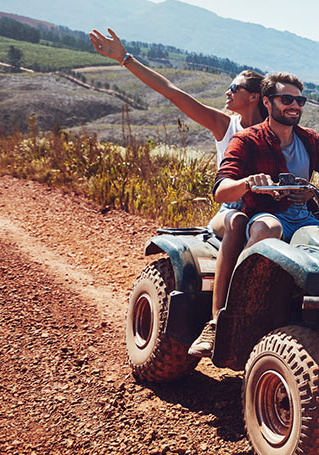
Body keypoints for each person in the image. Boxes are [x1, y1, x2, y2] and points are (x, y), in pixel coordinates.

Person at [187, 72, 319, 356]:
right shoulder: (246, 140)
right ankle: (230, 312)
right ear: (267, 102)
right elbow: (221, 189)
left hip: (305, 218)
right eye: (286, 99)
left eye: (299, 100)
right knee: (266, 230)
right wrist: (247, 183)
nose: (295, 105)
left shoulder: (310, 140)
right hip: (266, 214)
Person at [88, 28, 266, 357]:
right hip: (232, 211)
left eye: (234, 87)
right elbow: (172, 92)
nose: (226, 92)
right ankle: (219, 321)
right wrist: (124, 58)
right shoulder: (226, 127)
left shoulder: (275, 133)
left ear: (254, 96)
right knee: (239, 221)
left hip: (270, 214)